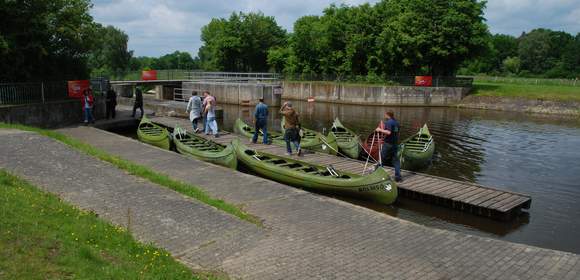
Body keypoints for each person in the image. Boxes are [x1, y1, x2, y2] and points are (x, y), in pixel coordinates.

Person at [375, 111, 402, 182]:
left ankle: (377, 173)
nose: (384, 116)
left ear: (388, 115)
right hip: (395, 144)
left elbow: (389, 132)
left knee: (382, 158)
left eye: (385, 115)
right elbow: (396, 133)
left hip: (388, 144)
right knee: (396, 160)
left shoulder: (388, 122)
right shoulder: (396, 123)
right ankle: (398, 177)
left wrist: (380, 130)